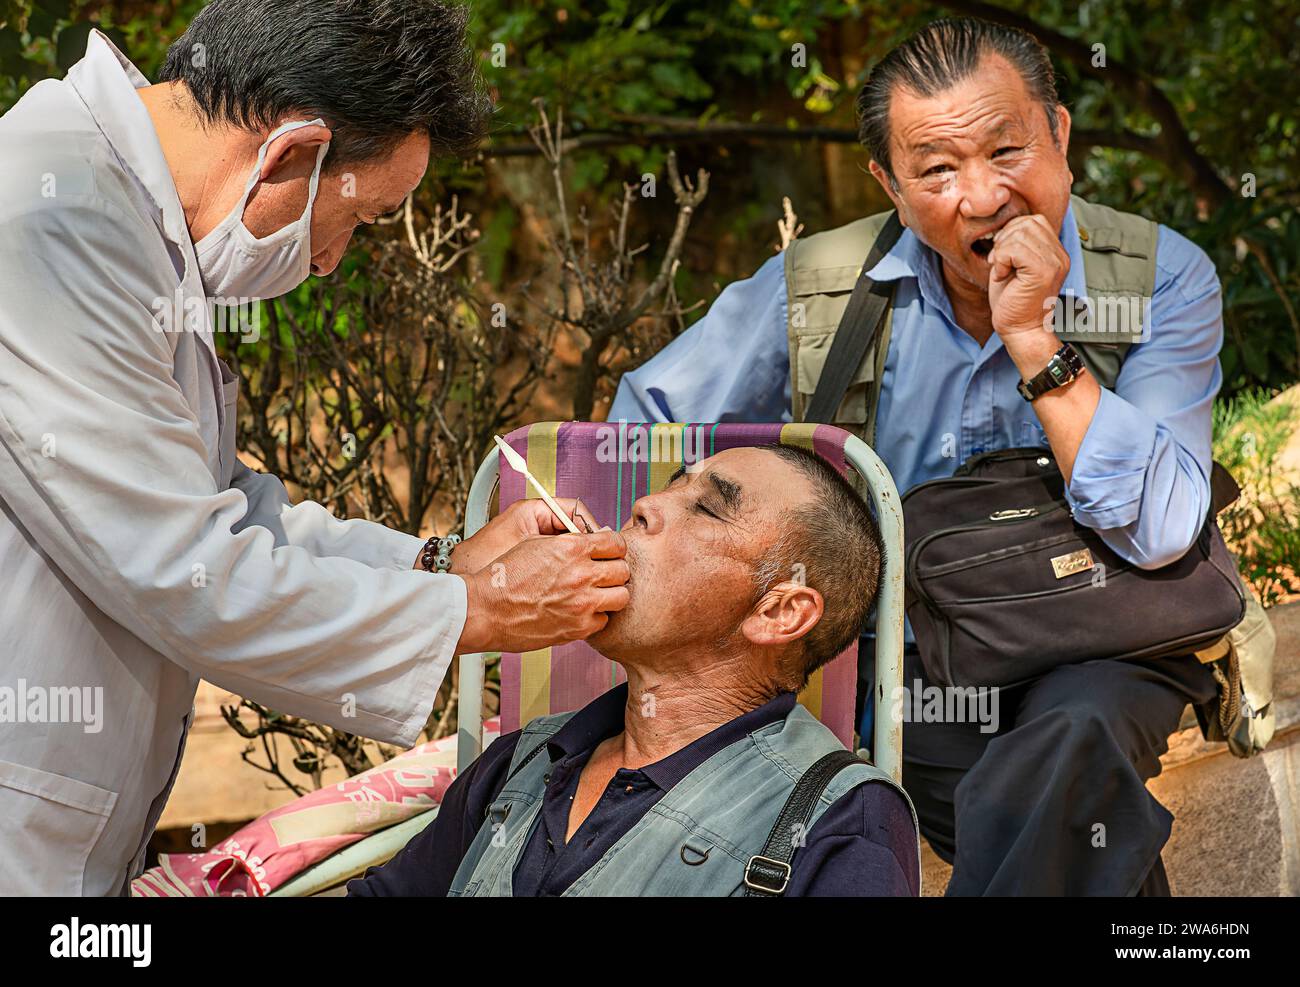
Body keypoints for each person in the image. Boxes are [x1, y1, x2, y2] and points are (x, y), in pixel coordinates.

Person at [0, 0, 627, 896]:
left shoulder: (130, 219)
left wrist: (437, 561)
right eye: (364, 219)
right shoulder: (45, 217)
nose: (331, 261)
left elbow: (215, 502)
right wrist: (473, 610)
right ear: (291, 153)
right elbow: (182, 566)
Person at [609, 17, 1220, 895]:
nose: (982, 197)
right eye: (935, 170)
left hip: (1108, 631)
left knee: (1075, 731)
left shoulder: (1158, 278)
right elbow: (645, 422)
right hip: (916, 664)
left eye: (1008, 149)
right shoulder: (823, 288)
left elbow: (1162, 532)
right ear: (890, 188)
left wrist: (1035, 340)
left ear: (1061, 136)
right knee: (1025, 800)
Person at [349, 445, 920, 897]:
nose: (645, 504)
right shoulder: (521, 763)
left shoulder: (840, 822)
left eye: (706, 507)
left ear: (778, 612)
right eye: (673, 484)